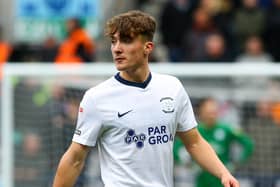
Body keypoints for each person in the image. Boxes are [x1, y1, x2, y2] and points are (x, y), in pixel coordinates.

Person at [52, 10, 239, 187]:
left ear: (147, 47)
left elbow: (194, 142)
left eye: (126, 41)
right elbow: (75, 158)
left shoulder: (172, 88)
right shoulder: (97, 97)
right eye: (114, 41)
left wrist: (223, 173)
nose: (117, 49)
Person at [174, 97, 253, 187]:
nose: (211, 114)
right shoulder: (195, 131)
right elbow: (176, 147)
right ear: (201, 112)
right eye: (208, 111)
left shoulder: (226, 129)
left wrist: (235, 163)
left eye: (213, 111)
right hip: (202, 180)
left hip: (222, 180)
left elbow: (248, 144)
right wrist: (188, 164)